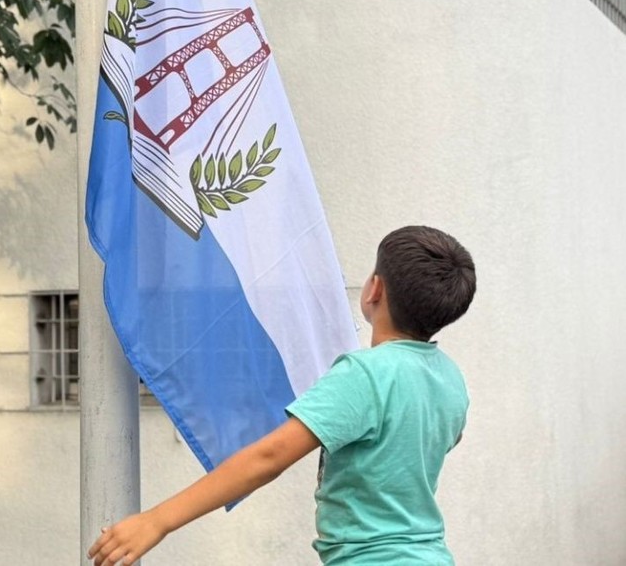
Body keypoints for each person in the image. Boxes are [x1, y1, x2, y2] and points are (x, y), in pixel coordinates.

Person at [87, 225, 477, 565]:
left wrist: (156, 521)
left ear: (375, 288)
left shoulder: (366, 374)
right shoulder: (449, 378)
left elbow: (269, 457)